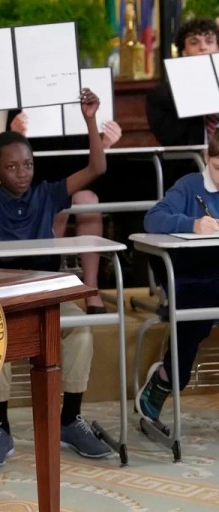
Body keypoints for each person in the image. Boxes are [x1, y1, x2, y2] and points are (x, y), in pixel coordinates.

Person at [0, 64, 113, 467]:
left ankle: (69, 420)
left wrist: (91, 121)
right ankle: (1, 428)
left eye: (28, 164)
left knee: (81, 330)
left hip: (44, 296)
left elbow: (97, 169)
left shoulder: (49, 194)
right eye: (13, 167)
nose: (23, 172)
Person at [137, 130, 219, 432]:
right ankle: (167, 379)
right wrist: (193, 224)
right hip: (191, 275)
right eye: (218, 169)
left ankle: (167, 378)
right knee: (196, 312)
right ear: (207, 159)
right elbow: (153, 219)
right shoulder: (190, 186)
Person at [6, 110, 123, 314]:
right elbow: (6, 150)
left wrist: (103, 143)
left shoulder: (87, 97)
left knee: (89, 201)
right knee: (57, 206)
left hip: (80, 172)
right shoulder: (23, 95)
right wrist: (15, 135)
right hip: (39, 176)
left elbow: (95, 165)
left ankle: (90, 287)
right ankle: (48, 282)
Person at [146, 18, 219, 148]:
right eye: (194, 43)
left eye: (209, 41)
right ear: (184, 52)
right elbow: (167, 138)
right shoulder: (161, 95)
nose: (203, 47)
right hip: (193, 164)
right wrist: (192, 99)